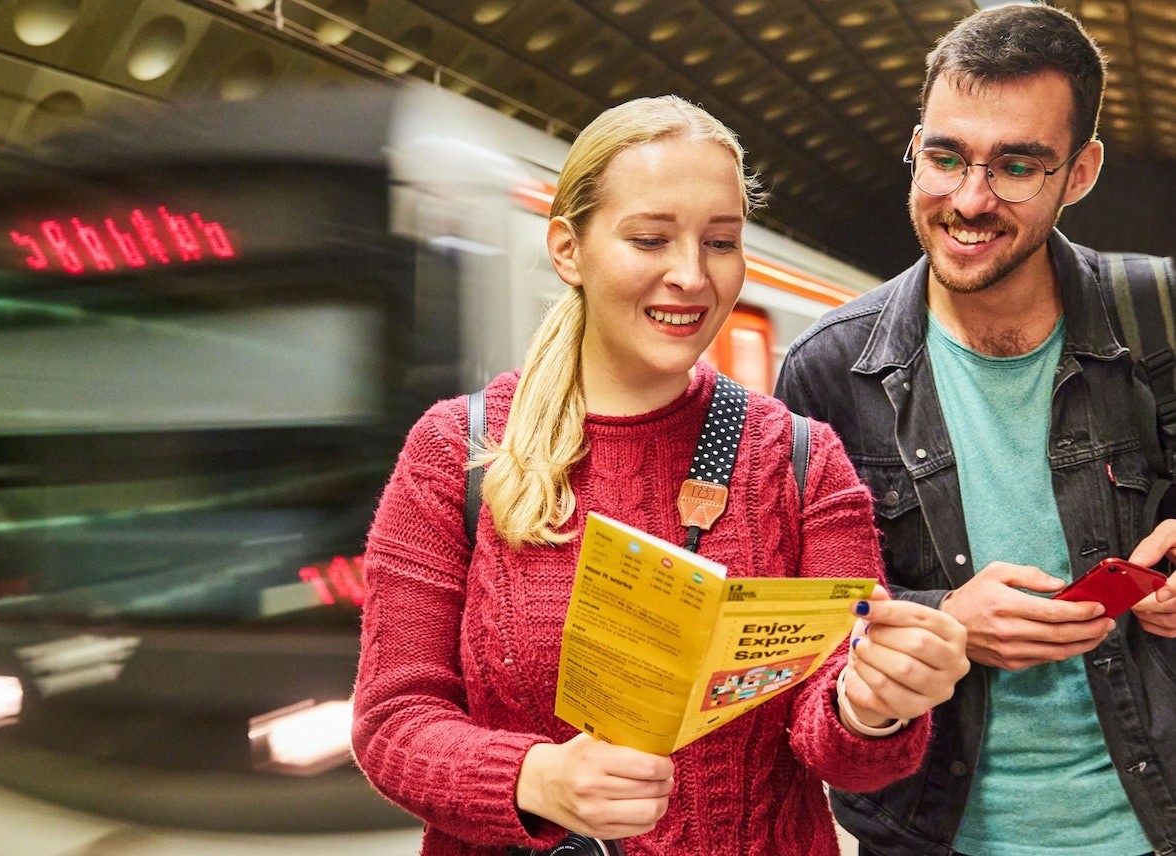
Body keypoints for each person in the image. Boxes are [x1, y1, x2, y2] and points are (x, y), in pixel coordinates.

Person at [351, 94, 969, 856]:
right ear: (567, 250)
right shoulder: (459, 452)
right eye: (649, 239)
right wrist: (535, 779)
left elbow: (835, 732)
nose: (690, 275)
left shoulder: (802, 459)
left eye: (719, 242)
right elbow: (393, 721)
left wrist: (874, 704)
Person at [773, 5, 1176, 856]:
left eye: (1018, 166)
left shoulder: (1162, 317)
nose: (970, 199)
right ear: (915, 147)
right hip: (930, 835)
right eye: (946, 157)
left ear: (1081, 171)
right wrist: (943, 615)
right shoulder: (828, 371)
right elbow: (788, 628)